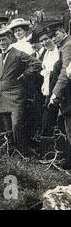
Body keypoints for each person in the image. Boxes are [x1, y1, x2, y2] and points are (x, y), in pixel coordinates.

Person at [0, 29, 42, 155]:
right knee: (7, 128)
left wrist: (24, 76)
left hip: (16, 95)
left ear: (10, 39)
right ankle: (12, 151)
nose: (2, 42)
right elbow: (0, 77)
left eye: (4, 39)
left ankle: (24, 152)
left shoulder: (18, 53)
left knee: (17, 125)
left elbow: (36, 64)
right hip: (2, 96)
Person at [47, 22, 71, 166]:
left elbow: (65, 73)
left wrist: (55, 94)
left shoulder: (68, 46)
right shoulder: (64, 45)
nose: (53, 39)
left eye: (54, 35)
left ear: (62, 31)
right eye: (50, 36)